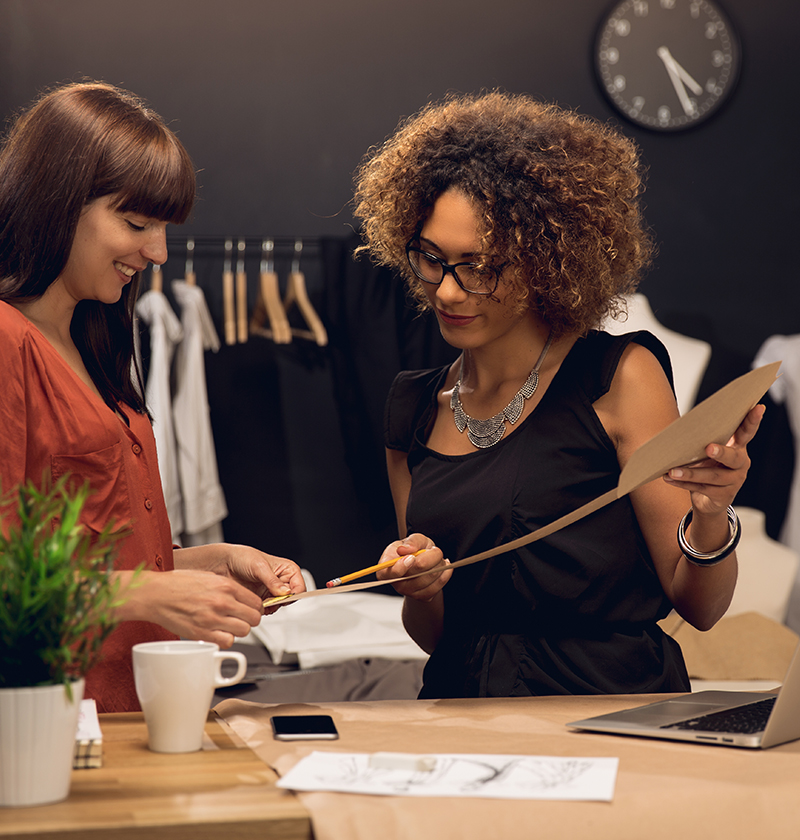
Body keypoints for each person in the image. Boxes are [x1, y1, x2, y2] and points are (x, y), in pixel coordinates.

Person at [352, 91, 764, 698]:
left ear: (546, 261)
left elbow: (698, 605)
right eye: (431, 259)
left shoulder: (620, 377)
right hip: (466, 720)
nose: (447, 291)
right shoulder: (412, 407)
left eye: (478, 266)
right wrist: (422, 588)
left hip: (612, 713)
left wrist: (710, 515)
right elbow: (437, 635)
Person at [0, 81, 305, 712]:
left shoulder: (89, 339)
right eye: (136, 223)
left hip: (127, 717)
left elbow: (97, 554)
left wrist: (213, 563)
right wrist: (147, 594)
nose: (158, 251)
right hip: (51, 726)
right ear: (56, 201)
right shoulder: (8, 342)